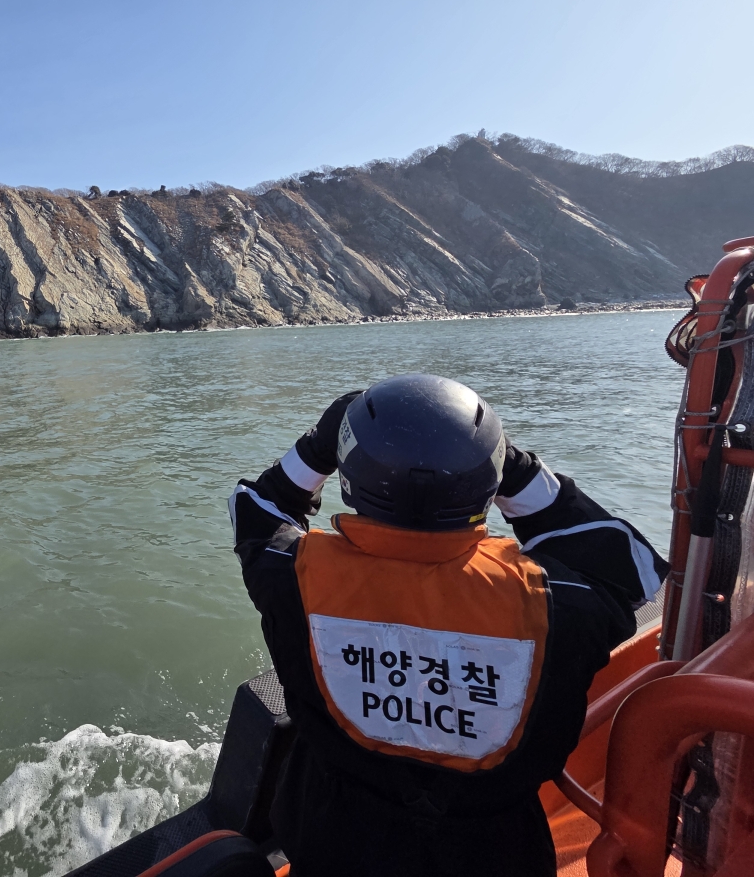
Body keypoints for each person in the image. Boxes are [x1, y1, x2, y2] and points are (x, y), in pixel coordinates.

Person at [228, 374, 667, 877]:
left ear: (350, 480)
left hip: (336, 844)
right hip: (498, 855)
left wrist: (318, 445)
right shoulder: (561, 604)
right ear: (488, 484)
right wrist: (508, 461)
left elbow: (256, 509)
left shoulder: (292, 579)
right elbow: (631, 563)